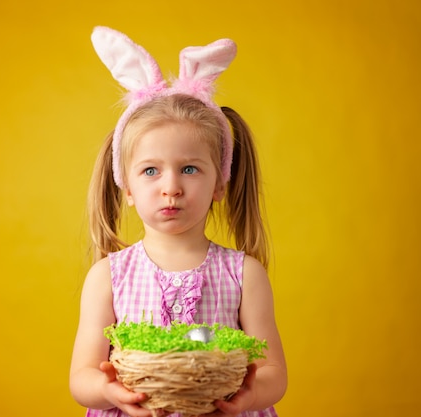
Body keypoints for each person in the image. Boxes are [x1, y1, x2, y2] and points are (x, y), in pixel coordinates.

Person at [70, 26, 287, 417]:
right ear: (128, 188)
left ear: (219, 184)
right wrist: (110, 390)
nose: (171, 187)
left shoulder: (244, 274)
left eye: (189, 168)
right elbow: (81, 377)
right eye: (151, 171)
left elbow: (273, 373)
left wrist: (248, 397)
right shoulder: (108, 277)